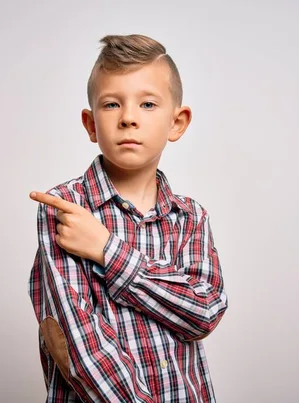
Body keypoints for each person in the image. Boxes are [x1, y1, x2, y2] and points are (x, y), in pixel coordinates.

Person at [27, 34, 228, 402]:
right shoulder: (66, 208)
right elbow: (80, 347)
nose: (129, 118)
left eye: (148, 104)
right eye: (111, 105)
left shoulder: (191, 217)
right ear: (90, 124)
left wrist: (108, 250)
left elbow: (204, 312)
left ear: (177, 122)